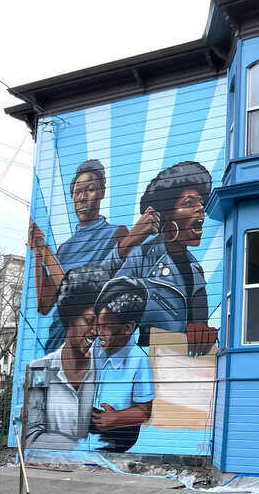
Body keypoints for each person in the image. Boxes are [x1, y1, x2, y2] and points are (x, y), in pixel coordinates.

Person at [28, 159, 160, 353]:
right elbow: (44, 306)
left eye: (89, 189)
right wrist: (39, 255)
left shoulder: (116, 234)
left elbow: (97, 288)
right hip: (57, 345)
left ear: (101, 193)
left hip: (94, 346)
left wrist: (46, 254)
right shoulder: (64, 249)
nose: (81, 198)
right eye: (76, 192)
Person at [106, 161, 217, 356]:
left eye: (200, 202)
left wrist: (201, 333)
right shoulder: (141, 257)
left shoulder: (195, 270)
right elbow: (107, 305)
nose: (200, 209)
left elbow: (198, 324)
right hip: (145, 366)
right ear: (166, 215)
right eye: (189, 203)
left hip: (179, 370)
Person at [25, 264, 109, 449]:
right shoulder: (40, 369)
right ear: (70, 317)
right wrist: (77, 449)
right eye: (89, 321)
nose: (95, 331)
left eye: (101, 324)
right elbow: (31, 437)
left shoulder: (106, 371)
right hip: (49, 469)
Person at [89, 276, 156, 452]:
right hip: (92, 427)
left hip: (118, 435)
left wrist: (116, 418)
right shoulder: (96, 348)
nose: (98, 332)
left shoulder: (138, 361)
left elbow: (144, 411)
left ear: (128, 328)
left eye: (105, 327)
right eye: (97, 325)